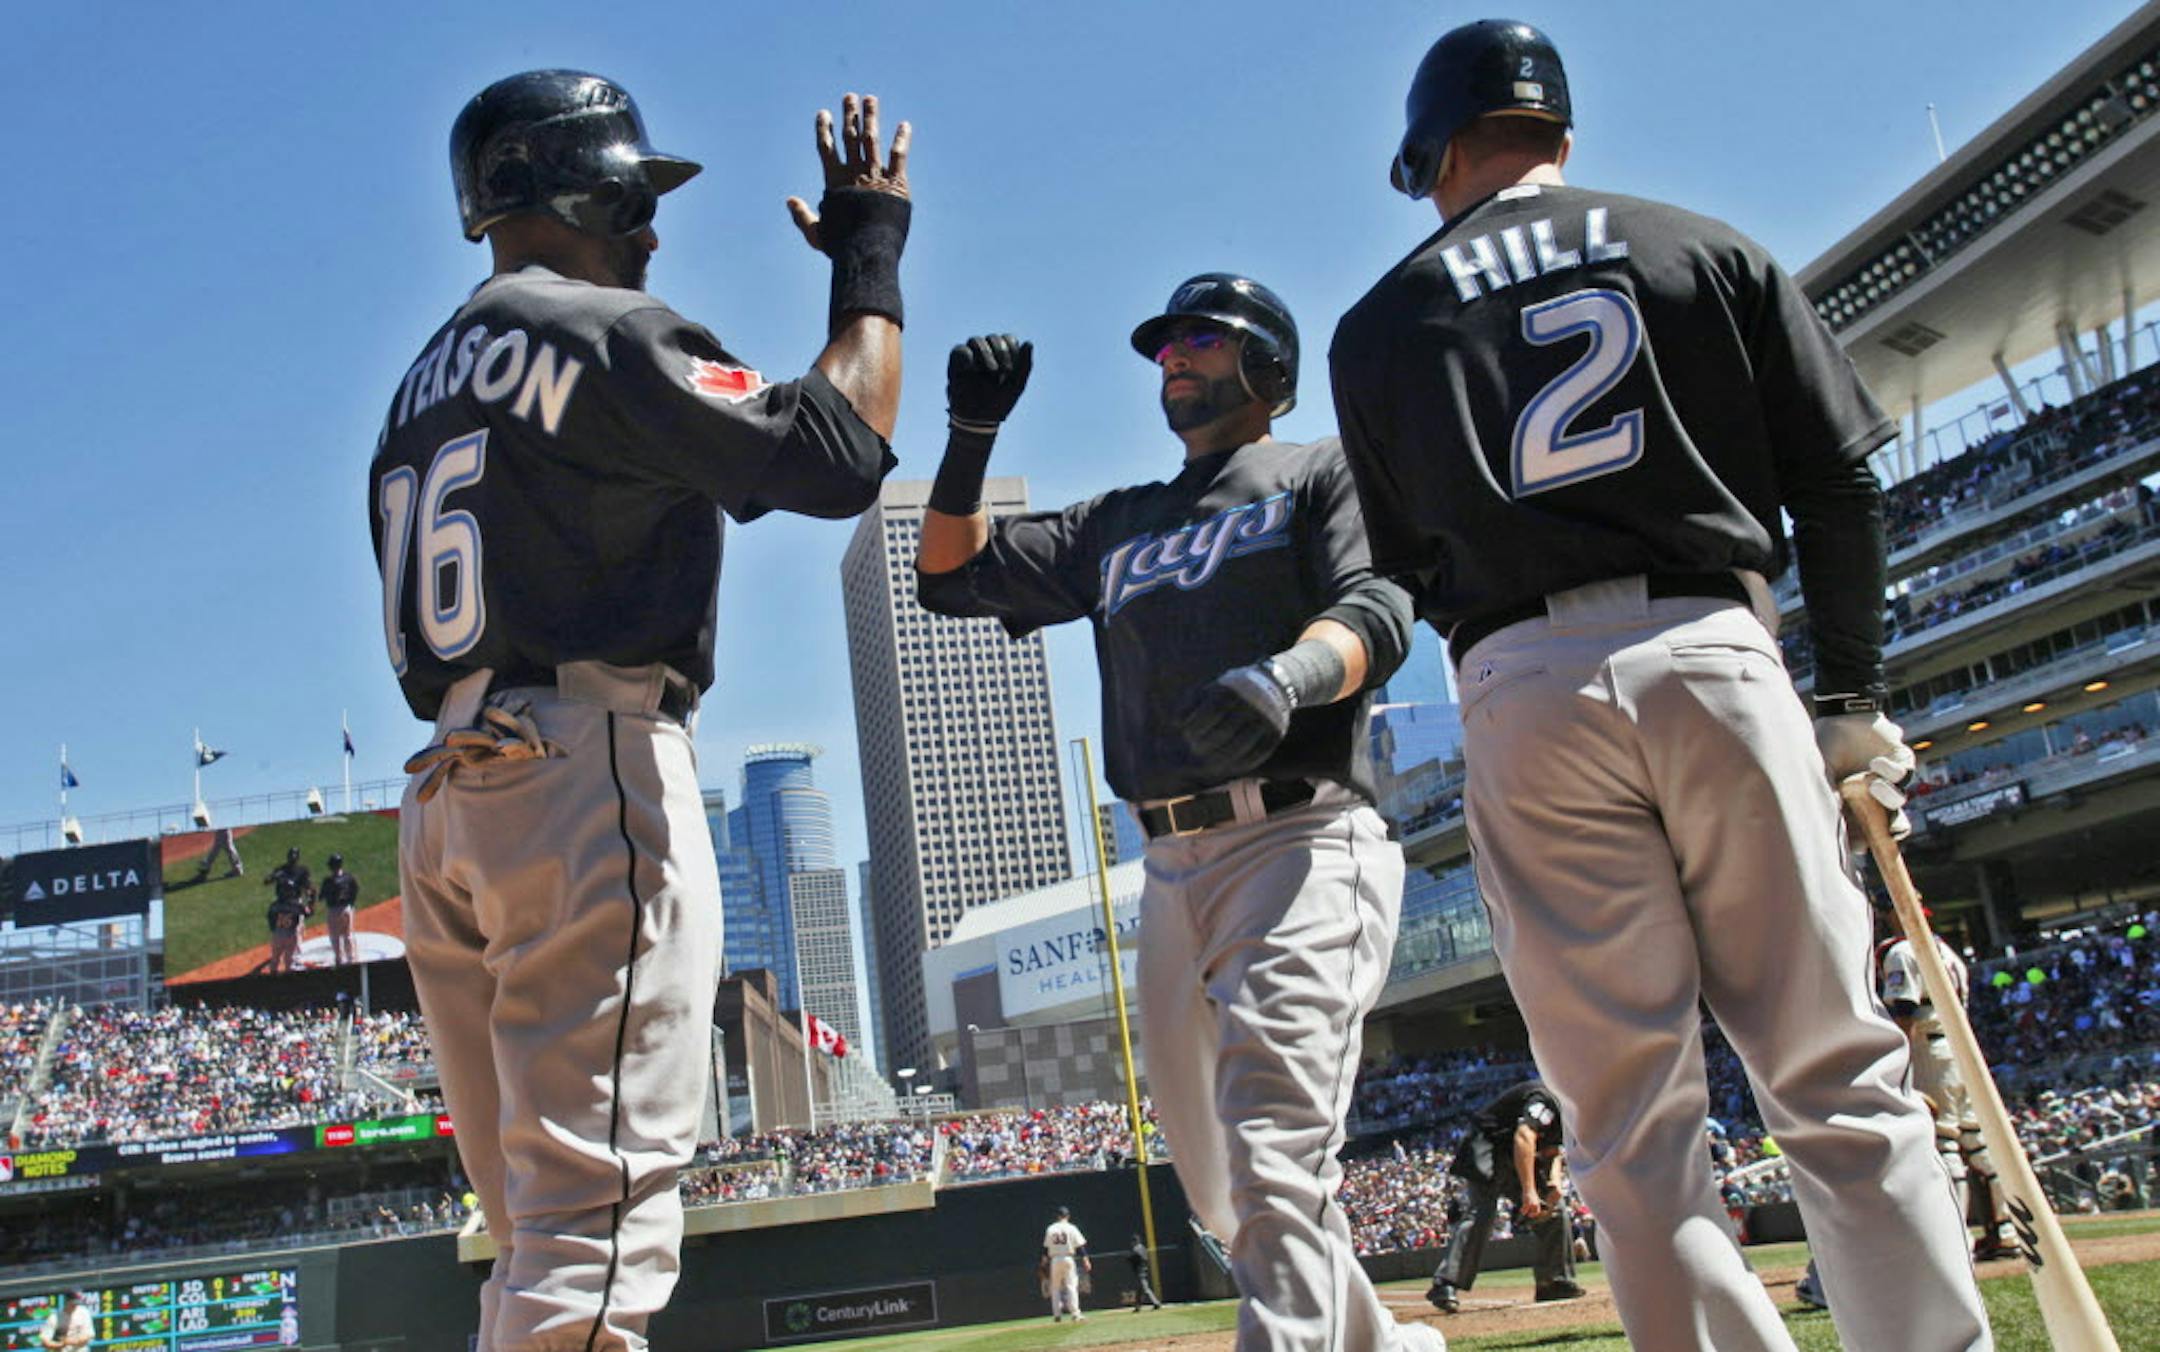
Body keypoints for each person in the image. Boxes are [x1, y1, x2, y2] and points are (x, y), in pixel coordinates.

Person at [1328, 20, 1992, 1351]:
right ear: (1560, 135)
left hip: (1519, 682)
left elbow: (1402, 573)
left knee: (1627, 1124)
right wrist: (1852, 693)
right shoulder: (1708, 245)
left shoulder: (1380, 323)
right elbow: (1841, 480)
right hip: (1717, 649)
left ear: (1442, 151)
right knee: (1836, 1072)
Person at [371, 70, 907, 1352]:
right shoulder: (597, 333)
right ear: (565, 190)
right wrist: (870, 256)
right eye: (629, 195)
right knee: (589, 1245)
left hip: (450, 795)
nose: (650, 227)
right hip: (578, 773)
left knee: (536, 1232)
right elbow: (839, 455)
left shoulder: (415, 386)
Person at [917, 278, 1433, 1352]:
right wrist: (970, 435)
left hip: (1301, 838)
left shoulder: (1318, 469)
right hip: (1170, 866)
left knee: (1274, 1142)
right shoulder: (1120, 520)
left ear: (1268, 367)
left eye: (1203, 338)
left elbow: (1380, 608)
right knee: (1217, 1178)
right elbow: (948, 577)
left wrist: (1289, 677)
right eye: (1164, 347)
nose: (1175, 358)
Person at [1426, 1080, 1582, 1313]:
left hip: (1515, 1156)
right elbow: (1524, 1137)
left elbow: (1552, 1150)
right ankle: (1445, 1284)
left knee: (1555, 1210)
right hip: (1487, 1146)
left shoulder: (1572, 1111)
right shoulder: (1547, 1098)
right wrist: (1529, 1191)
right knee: (1483, 1213)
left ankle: (1553, 1281)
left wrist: (1554, 1184)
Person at [264, 847, 315, 974]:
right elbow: (266, 881)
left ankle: (292, 958)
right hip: (291, 904)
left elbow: (309, 888)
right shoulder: (281, 870)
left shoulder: (302, 871)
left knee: (293, 933)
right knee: (295, 932)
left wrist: (310, 901)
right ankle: (293, 960)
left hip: (289, 904)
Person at [1041, 1205, 1090, 1322]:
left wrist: (1044, 1260)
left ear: (1057, 1216)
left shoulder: (1051, 1228)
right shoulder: (1071, 1228)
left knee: (1055, 1287)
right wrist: (1086, 1259)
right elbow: (1080, 1246)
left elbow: (1045, 1248)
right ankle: (1075, 1314)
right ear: (1067, 1216)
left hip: (1055, 1259)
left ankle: (1057, 1314)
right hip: (1068, 1258)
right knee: (1071, 1286)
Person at [319, 853, 360, 966]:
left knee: (335, 936)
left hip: (334, 911)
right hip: (347, 909)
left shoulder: (328, 881)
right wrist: (351, 903)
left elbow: (321, 896)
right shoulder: (349, 877)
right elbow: (355, 890)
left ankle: (339, 960)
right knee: (348, 934)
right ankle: (352, 959)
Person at [1128, 1233, 1164, 1312]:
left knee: (1145, 1289)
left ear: (1135, 1241)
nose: (1132, 1243)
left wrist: (1131, 1258)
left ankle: (1156, 1303)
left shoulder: (1137, 1249)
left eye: (1133, 1241)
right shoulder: (1141, 1248)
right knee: (1139, 1290)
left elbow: (1139, 1258)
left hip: (1140, 1271)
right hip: (1142, 1270)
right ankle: (1138, 1307)